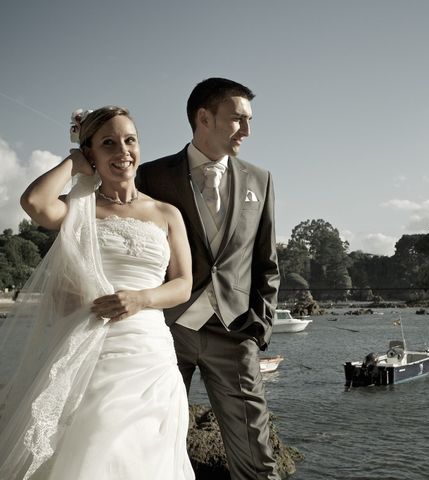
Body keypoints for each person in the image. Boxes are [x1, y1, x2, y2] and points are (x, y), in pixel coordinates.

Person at [0, 106, 195, 480]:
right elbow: (35, 203)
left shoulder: (166, 213)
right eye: (108, 143)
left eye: (129, 140)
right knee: (98, 440)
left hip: (150, 352)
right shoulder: (79, 208)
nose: (123, 150)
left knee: (150, 451)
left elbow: (182, 284)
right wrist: (72, 163)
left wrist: (142, 298)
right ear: (92, 154)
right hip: (95, 347)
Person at [136, 78, 280, 480]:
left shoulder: (260, 179)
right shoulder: (151, 176)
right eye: (238, 119)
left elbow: (267, 262)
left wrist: (259, 328)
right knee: (153, 441)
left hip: (234, 333)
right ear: (204, 117)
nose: (247, 131)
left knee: (256, 457)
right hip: (166, 331)